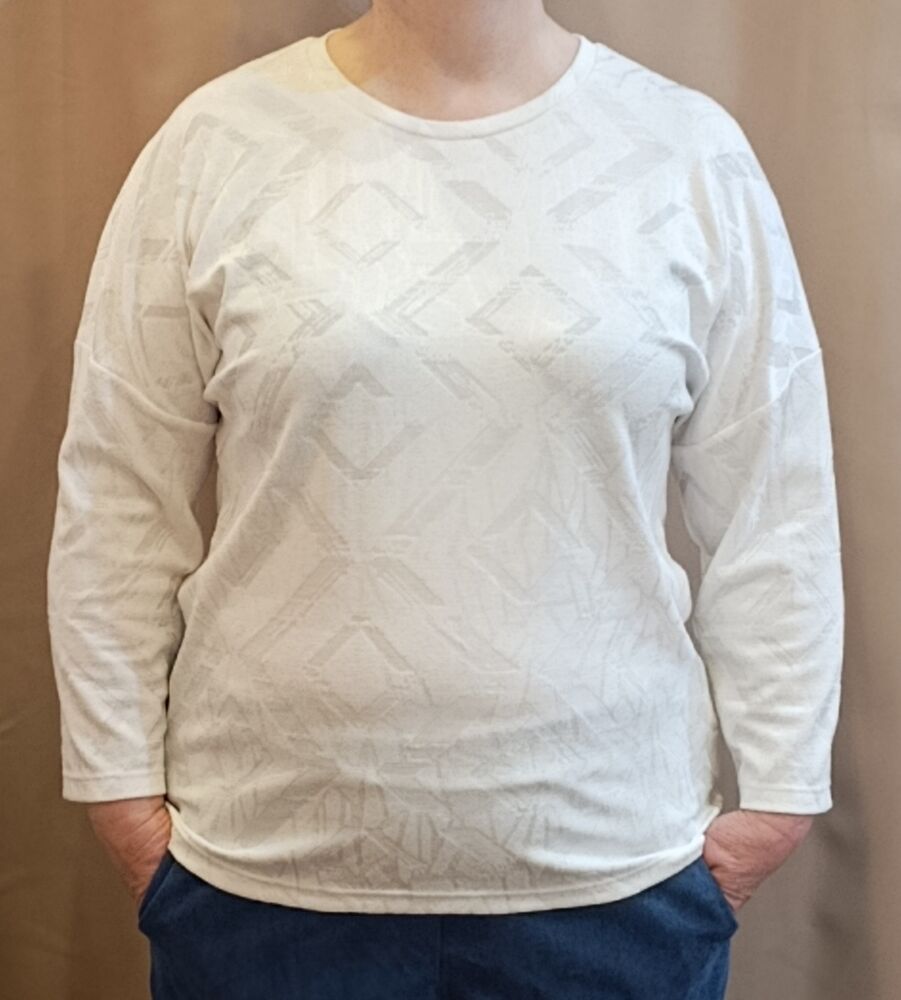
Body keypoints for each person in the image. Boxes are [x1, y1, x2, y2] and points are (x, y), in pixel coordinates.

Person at [46, 1, 844, 997]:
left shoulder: (684, 153)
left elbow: (774, 501)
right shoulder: (217, 142)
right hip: (263, 881)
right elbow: (118, 490)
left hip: (614, 883)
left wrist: (778, 792)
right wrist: (120, 789)